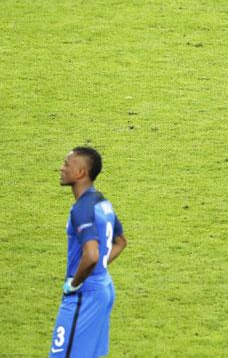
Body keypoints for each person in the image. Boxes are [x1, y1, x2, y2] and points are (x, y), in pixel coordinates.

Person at [50, 147, 127, 357]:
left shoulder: (82, 209)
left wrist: (74, 284)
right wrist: (100, 265)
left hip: (85, 294)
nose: (61, 168)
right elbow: (120, 242)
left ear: (81, 173)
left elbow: (91, 255)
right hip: (104, 288)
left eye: (67, 164)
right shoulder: (102, 202)